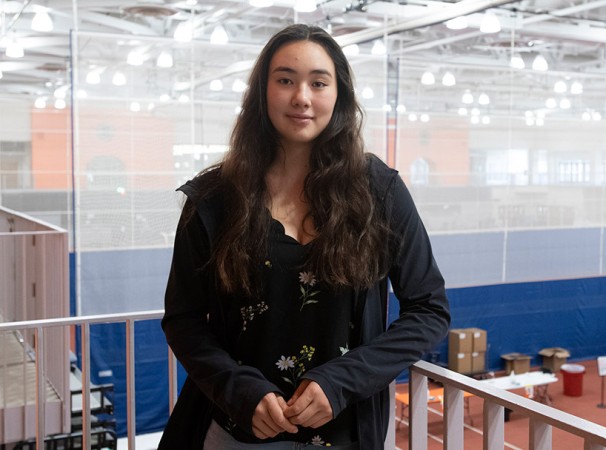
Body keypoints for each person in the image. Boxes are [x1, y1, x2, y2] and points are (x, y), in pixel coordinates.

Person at [158, 24, 450, 449]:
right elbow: (183, 320)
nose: (302, 97)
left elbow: (429, 309)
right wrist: (240, 390)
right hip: (237, 431)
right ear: (263, 92)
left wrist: (341, 382)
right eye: (285, 80)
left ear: (339, 94)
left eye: (318, 82)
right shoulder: (214, 199)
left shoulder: (378, 192)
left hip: (344, 432)